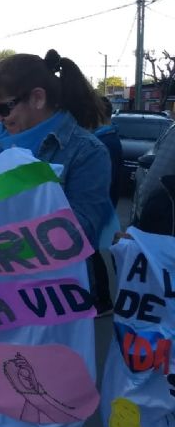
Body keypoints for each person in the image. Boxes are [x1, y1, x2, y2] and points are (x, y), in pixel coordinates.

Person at [0, 49, 112, 427]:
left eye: (2, 107)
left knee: (41, 422)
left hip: (50, 313)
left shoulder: (87, 152)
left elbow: (80, 233)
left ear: (37, 98)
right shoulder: (3, 147)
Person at [90, 96, 123, 316]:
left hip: (102, 204)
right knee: (101, 250)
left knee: (93, 252)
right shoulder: (108, 136)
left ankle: (104, 300)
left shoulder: (103, 141)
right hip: (106, 202)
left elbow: (103, 179)